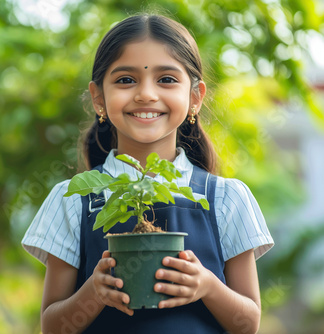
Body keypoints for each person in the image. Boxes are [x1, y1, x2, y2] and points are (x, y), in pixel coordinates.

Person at [22, 13, 274, 334]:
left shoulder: (226, 198)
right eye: (126, 80)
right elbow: (53, 327)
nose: (146, 94)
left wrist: (208, 286)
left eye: (166, 79)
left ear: (195, 97)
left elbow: (247, 324)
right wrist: (93, 293)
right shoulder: (74, 200)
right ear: (98, 97)